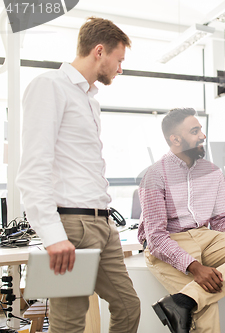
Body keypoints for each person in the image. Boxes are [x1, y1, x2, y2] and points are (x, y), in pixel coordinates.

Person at [16, 17, 140, 333]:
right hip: (71, 225)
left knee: (129, 307)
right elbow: (34, 167)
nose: (120, 69)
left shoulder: (89, 99)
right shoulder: (49, 86)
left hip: (103, 223)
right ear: (99, 51)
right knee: (69, 323)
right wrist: (53, 235)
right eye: (119, 60)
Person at [138, 108, 225, 333]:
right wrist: (195, 267)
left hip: (205, 235)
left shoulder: (213, 172)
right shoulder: (154, 174)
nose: (203, 136)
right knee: (207, 308)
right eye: (195, 131)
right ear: (175, 139)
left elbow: (221, 221)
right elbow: (156, 237)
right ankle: (192, 301)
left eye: (200, 130)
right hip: (169, 240)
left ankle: (184, 301)